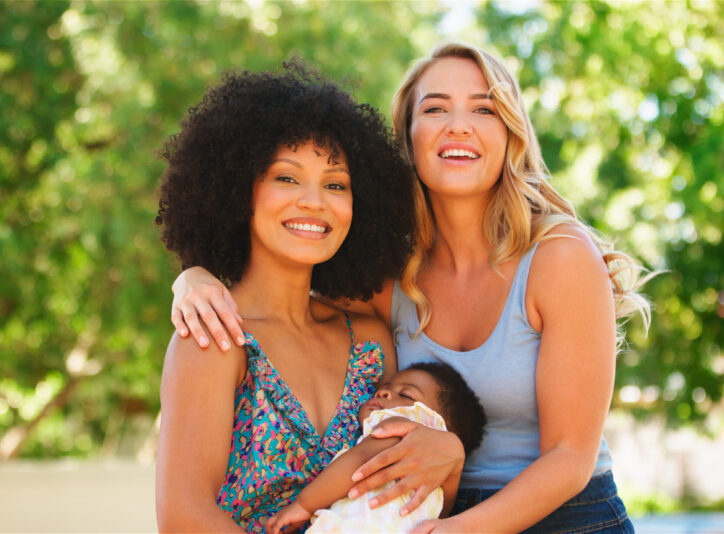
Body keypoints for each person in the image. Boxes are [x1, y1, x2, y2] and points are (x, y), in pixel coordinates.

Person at [171, 42, 651, 533]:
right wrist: (194, 278)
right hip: (427, 503)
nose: (458, 125)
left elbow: (570, 456)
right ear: (408, 139)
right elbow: (282, 291)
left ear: (511, 135)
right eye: (436, 107)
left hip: (566, 517)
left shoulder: (560, 257)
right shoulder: (388, 279)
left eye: (484, 109)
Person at [154, 61, 426, 533]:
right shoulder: (215, 338)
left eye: (336, 184)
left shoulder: (370, 341)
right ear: (240, 189)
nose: (314, 201)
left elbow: (404, 478)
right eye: (287, 177)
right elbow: (184, 518)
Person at [267, 362, 487, 534]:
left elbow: (360, 462)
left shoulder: (402, 425)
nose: (383, 393)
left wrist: (304, 505)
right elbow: (441, 512)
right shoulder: (443, 479)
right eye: (384, 388)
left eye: (406, 394)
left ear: (434, 422)